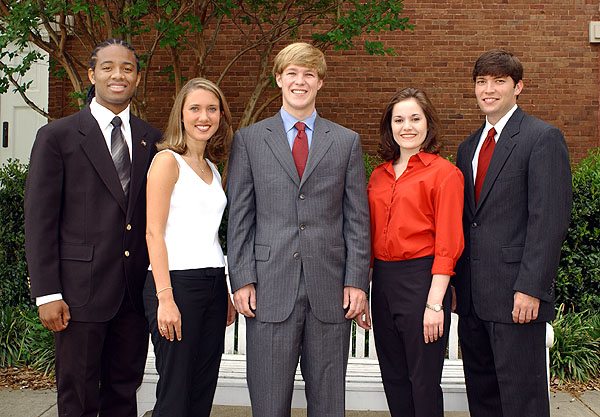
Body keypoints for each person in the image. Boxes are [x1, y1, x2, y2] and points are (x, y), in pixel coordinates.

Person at [226, 42, 371, 417]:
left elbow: (357, 218)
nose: (300, 81)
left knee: (328, 404)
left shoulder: (345, 141)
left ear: (320, 82)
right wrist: (241, 278)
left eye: (309, 74)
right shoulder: (250, 140)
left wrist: (357, 280)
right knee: (269, 402)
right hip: (269, 288)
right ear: (279, 79)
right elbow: (241, 215)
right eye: (292, 72)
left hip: (330, 290)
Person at [24, 38, 162, 416]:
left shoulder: (153, 139)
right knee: (78, 396)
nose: (118, 75)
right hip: (77, 296)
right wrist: (47, 293)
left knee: (122, 392)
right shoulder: (58, 136)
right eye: (108, 67)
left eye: (127, 68)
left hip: (133, 294)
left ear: (137, 77)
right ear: (92, 74)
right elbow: (39, 221)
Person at [453, 49, 572, 417]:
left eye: (499, 81)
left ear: (517, 87)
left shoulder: (542, 138)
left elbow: (549, 221)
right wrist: (457, 286)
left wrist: (531, 288)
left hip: (517, 298)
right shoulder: (468, 147)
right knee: (483, 398)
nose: (488, 89)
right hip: (473, 301)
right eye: (481, 81)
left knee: (523, 401)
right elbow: (466, 222)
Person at [367, 87, 465, 417]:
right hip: (382, 283)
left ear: (428, 124)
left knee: (422, 382)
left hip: (422, 281)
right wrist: (364, 293)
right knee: (393, 378)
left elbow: (449, 243)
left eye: (414, 118)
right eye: (398, 119)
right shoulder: (378, 176)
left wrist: (435, 303)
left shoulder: (444, 174)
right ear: (389, 126)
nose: (406, 126)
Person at [143, 77, 236, 417]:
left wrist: (223, 290)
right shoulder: (167, 161)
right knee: (175, 390)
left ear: (221, 116)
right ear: (181, 115)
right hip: (176, 285)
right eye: (195, 108)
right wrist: (164, 298)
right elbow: (153, 232)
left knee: (202, 386)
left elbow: (208, 235)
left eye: (212, 109)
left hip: (211, 284)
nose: (204, 116)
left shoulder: (211, 166)